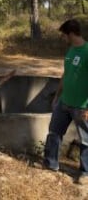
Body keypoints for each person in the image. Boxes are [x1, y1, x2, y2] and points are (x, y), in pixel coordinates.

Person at [43, 19, 88, 184]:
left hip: (81, 106)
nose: (63, 38)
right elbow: (66, 74)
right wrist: (57, 95)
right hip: (64, 102)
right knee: (54, 132)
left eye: (63, 35)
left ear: (70, 34)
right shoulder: (70, 51)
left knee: (86, 139)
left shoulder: (87, 51)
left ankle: (85, 173)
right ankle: (51, 165)